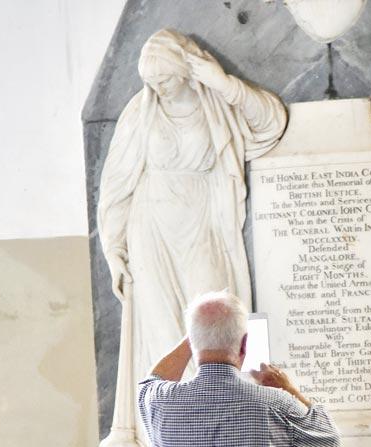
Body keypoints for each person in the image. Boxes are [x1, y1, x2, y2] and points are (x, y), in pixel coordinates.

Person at [97, 29, 287, 441]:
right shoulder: (141, 110)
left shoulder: (215, 102)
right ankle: (169, 430)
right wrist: (114, 249)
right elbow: (116, 182)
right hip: (152, 228)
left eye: (164, 79)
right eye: (151, 81)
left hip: (203, 221)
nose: (157, 88)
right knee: (164, 328)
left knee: (219, 318)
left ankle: (233, 422)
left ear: (186, 71)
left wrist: (222, 81)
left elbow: (271, 121)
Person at [138, 290, 341, 446]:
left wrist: (199, 333)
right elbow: (329, 440)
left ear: (193, 341)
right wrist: (289, 388)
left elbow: (152, 379)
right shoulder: (277, 404)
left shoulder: (160, 401)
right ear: (246, 344)